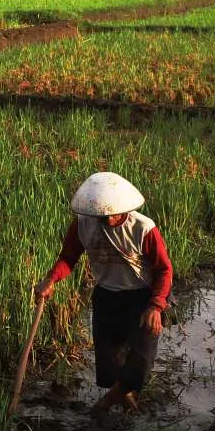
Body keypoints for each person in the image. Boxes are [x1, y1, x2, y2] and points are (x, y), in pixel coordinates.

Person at [34, 172, 173, 412]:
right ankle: (128, 405)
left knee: (141, 361)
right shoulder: (83, 225)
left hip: (142, 297)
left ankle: (104, 405)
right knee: (110, 365)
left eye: (113, 214)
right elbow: (68, 257)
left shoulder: (143, 228)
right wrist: (50, 279)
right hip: (107, 297)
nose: (108, 219)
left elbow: (164, 269)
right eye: (102, 215)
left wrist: (156, 305)